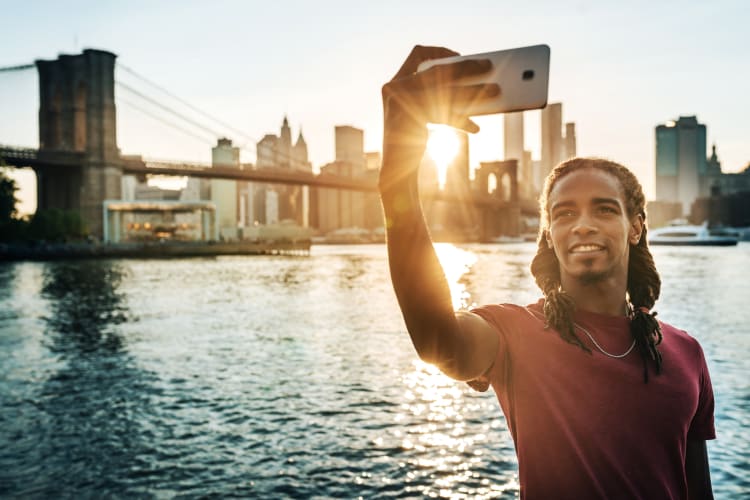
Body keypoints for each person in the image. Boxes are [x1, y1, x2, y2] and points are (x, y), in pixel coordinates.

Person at [379, 45, 715, 499]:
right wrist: (396, 176)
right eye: (563, 214)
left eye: (604, 209)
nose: (582, 225)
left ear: (635, 226)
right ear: (550, 235)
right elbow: (437, 342)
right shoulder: (514, 333)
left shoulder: (686, 353)